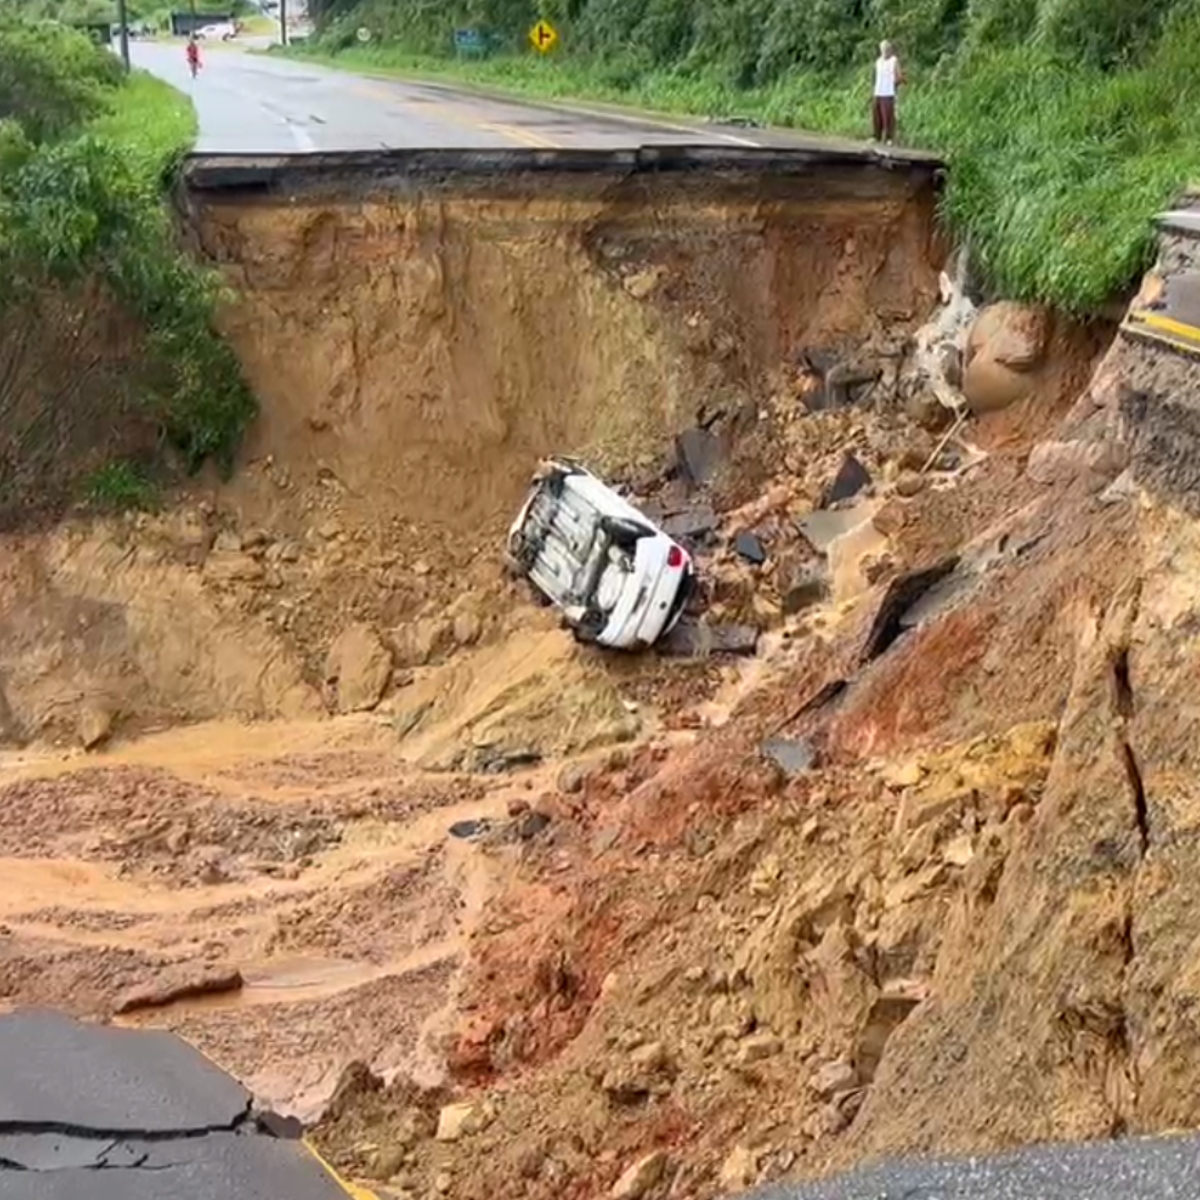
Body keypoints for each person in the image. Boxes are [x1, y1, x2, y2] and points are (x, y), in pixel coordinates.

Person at [872, 40, 903, 145]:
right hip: (878, 91)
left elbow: (899, 76)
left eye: (886, 49)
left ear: (889, 50)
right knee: (876, 115)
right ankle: (877, 136)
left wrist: (895, 85)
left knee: (888, 116)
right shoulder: (878, 61)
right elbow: (876, 77)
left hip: (888, 92)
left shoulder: (894, 60)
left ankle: (889, 138)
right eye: (882, 49)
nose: (884, 51)